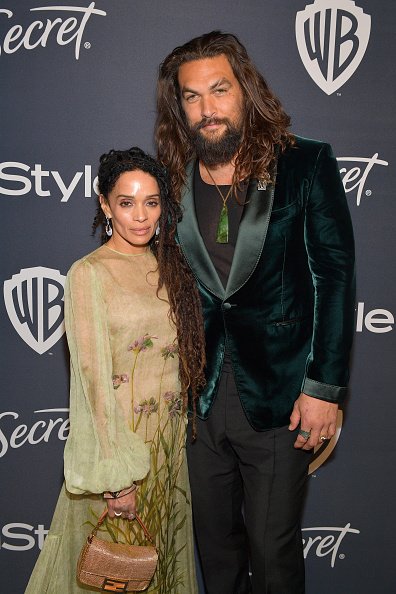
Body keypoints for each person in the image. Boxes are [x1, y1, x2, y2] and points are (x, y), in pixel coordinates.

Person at [155, 31, 356, 594]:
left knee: (273, 554)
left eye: (218, 90)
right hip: (196, 400)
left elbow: (335, 278)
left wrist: (324, 387)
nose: (206, 109)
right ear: (180, 107)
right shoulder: (171, 178)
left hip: (280, 399)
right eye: (192, 97)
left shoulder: (304, 164)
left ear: (245, 89)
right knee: (215, 555)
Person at [25, 147, 206, 594]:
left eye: (151, 202)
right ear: (105, 205)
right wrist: (115, 480)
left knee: (158, 570)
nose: (141, 217)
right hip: (120, 458)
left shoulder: (172, 268)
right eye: (126, 203)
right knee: (115, 575)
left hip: (168, 454)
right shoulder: (88, 274)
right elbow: (92, 386)